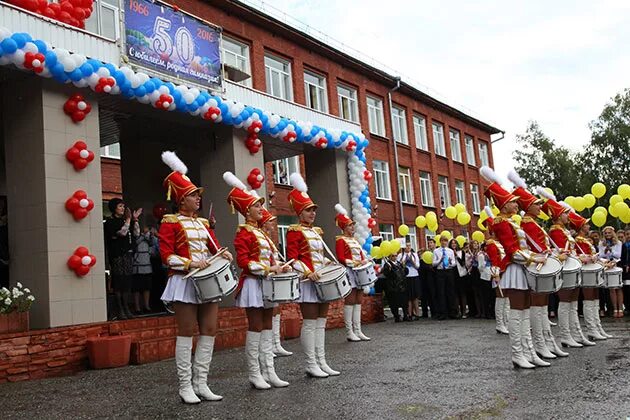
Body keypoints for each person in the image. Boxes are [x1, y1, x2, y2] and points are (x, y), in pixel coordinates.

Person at [158, 151, 233, 404]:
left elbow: (214, 247)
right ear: (180, 199)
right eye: (192, 195)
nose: (197, 199)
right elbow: (166, 256)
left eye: (198, 195)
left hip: (206, 280)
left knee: (210, 330)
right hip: (184, 280)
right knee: (187, 331)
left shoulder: (202, 224)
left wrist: (223, 254)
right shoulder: (169, 222)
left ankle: (202, 383)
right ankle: (185, 386)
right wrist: (190, 262)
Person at [224, 172, 290, 389]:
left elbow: (270, 258)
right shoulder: (243, 233)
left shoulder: (262, 234)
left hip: (268, 282)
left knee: (268, 326)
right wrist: (268, 268)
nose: (262, 209)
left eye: (261, 206)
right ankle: (254, 373)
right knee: (256, 326)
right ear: (247, 211)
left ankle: (269, 371)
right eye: (257, 207)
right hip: (253, 283)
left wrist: (279, 268)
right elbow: (244, 261)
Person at [480, 166, 548, 369]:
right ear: (503, 204)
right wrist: (534, 260)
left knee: (525, 313)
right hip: (514, 270)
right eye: (512, 202)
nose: (516, 204)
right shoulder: (501, 223)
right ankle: (517, 354)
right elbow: (512, 251)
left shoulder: (512, 221)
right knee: (517, 314)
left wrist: (535, 256)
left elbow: (522, 247)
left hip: (522, 269)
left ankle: (529, 351)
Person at [286, 173, 339, 378]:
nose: (312, 213)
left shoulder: (317, 231)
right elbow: (293, 258)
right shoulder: (294, 231)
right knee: (310, 322)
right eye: (309, 210)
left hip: (321, 279)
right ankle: (310, 363)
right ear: (299, 211)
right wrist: (308, 272)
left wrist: (327, 263)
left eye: (313, 210)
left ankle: (322, 361)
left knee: (321, 322)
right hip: (308, 282)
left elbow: (318, 256)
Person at [509, 170, 567, 359]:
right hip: (533, 265)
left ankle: (546, 342)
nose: (540, 206)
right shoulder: (527, 224)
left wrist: (555, 252)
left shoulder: (533, 223)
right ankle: (540, 344)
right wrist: (545, 255)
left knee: (541, 307)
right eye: (536, 204)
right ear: (528, 207)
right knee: (536, 306)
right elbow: (534, 246)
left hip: (538, 261)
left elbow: (543, 245)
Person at [542, 191, 595, 348]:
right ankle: (566, 335)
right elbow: (562, 251)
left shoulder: (563, 230)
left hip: (571, 265)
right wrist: (580, 258)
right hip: (565, 268)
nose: (568, 216)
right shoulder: (556, 231)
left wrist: (580, 258)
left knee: (573, 303)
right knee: (566, 302)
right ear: (558, 215)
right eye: (565, 214)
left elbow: (570, 251)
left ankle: (576, 333)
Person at [571, 212, 612, 339]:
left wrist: (603, 262)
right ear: (581, 227)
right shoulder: (577, 241)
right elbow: (576, 256)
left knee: (595, 299)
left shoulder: (583, 240)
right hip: (586, 271)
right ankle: (591, 329)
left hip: (592, 270)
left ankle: (597, 327)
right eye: (586, 224)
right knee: (589, 299)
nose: (589, 226)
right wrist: (588, 258)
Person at [259, 207, 293, 357]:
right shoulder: (260, 238)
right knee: (266, 313)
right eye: (269, 222)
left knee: (276, 310)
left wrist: (282, 265)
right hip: (264, 276)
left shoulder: (268, 240)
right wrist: (274, 267)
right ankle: (267, 347)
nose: (272, 226)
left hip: (273, 276)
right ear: (264, 223)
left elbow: (274, 258)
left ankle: (276, 343)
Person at [335, 204, 372, 341]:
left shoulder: (355, 240)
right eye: (350, 225)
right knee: (350, 301)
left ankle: (358, 330)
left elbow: (361, 255)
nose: (352, 227)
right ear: (344, 227)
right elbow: (341, 258)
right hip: (350, 272)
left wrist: (364, 261)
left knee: (358, 300)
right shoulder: (340, 240)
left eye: (353, 225)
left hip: (359, 272)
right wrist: (355, 263)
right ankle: (349, 331)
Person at [104, 198, 141, 320]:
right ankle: (120, 309)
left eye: (123, 206)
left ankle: (126, 308)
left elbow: (136, 234)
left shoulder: (126, 221)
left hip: (127, 254)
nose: (123, 208)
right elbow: (122, 233)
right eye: (120, 206)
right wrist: (129, 220)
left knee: (126, 282)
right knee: (119, 282)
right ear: (114, 208)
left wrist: (135, 220)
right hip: (117, 255)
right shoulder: (110, 222)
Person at [480, 207, 508, 334]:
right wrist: (496, 274)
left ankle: (507, 322)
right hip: (498, 274)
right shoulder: (491, 244)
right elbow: (493, 260)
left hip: (505, 272)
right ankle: (500, 324)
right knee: (501, 298)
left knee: (506, 299)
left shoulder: (501, 242)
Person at [600, 226, 623, 317]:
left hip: (616, 264)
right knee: (611, 289)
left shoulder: (618, 243)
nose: (607, 234)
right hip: (607, 266)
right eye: (606, 233)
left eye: (609, 233)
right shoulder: (602, 243)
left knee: (619, 287)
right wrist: (605, 253)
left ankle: (620, 308)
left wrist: (611, 251)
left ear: (613, 233)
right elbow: (601, 255)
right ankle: (615, 309)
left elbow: (618, 255)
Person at [432, 236, 458, 320]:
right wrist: (440, 260)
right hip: (440, 272)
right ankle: (442, 313)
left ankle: (452, 312)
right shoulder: (436, 251)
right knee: (441, 292)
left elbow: (454, 262)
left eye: (446, 241)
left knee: (450, 291)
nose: (444, 243)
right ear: (440, 242)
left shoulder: (450, 251)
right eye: (443, 241)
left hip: (449, 271)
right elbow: (433, 263)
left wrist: (450, 263)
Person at [132, 221, 154, 314]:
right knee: (136, 288)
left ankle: (146, 306)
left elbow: (151, 243)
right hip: (137, 265)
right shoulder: (135, 236)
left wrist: (150, 234)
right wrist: (142, 235)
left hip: (147, 265)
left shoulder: (149, 236)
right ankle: (137, 307)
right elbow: (135, 243)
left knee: (147, 287)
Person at [381, 253, 408, 322]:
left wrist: (405, 267)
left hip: (401, 285)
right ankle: (396, 316)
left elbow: (405, 272)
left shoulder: (399, 263)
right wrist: (389, 270)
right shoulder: (387, 264)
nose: (395, 257)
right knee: (394, 303)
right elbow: (386, 274)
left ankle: (405, 315)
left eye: (396, 256)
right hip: (393, 286)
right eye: (393, 256)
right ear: (390, 257)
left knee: (404, 302)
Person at [398, 242, 420, 321]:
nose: (408, 247)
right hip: (406, 277)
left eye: (409, 246)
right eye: (407, 246)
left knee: (415, 296)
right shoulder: (400, 255)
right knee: (408, 297)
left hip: (414, 276)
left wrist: (412, 261)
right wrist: (404, 262)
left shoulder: (414, 255)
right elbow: (399, 267)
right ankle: (409, 314)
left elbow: (417, 266)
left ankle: (417, 314)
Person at [467, 240, 485, 318]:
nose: (475, 245)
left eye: (477, 243)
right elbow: (468, 264)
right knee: (476, 293)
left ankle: (484, 311)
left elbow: (480, 262)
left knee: (481, 293)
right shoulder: (470, 253)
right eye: (474, 243)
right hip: (473, 272)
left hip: (480, 272)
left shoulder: (481, 253)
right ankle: (478, 312)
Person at [419, 238, 437, 318]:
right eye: (429, 243)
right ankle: (427, 312)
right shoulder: (426, 254)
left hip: (436, 276)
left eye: (431, 243)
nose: (430, 244)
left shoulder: (437, 252)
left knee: (435, 295)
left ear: (435, 244)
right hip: (427, 277)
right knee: (427, 295)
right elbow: (422, 265)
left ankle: (436, 312)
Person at [452, 239, 469, 318]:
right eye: (452, 243)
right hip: (453, 274)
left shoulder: (461, 252)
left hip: (461, 274)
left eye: (455, 243)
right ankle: (457, 312)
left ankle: (464, 312)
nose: (453, 244)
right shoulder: (449, 252)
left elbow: (463, 263)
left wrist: (456, 256)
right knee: (455, 294)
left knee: (462, 293)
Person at [622, 229, 630, 316]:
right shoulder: (624, 245)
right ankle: (627, 307)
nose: (629, 236)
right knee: (627, 288)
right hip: (626, 271)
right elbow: (622, 257)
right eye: (627, 234)